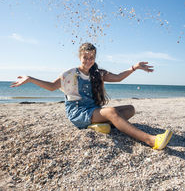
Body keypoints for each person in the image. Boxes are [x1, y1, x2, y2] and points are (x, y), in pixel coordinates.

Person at [11, 42, 172, 150]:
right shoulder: (70, 74)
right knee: (111, 113)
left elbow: (118, 77)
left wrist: (134, 67)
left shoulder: (97, 73)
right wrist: (31, 79)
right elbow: (52, 87)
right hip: (78, 112)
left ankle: (99, 126)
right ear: (80, 57)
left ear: (95, 57)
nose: (88, 60)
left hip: (93, 110)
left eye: (92, 57)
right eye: (85, 57)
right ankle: (151, 141)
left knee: (130, 109)